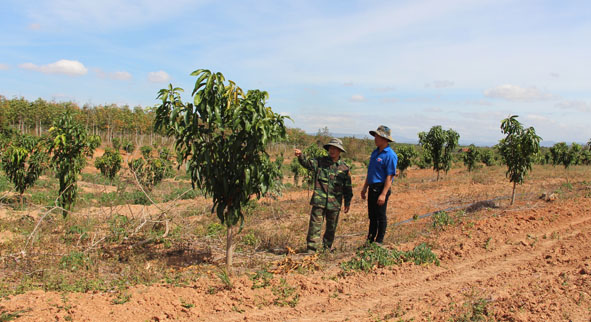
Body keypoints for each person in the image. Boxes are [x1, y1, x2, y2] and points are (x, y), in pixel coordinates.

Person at [294, 138, 353, 253]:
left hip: (334, 203)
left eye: (335, 149)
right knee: (314, 226)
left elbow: (347, 188)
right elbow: (307, 163)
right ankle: (311, 250)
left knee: (331, 228)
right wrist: (300, 156)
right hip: (319, 201)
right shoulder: (320, 162)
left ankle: (327, 249)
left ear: (340, 151)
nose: (332, 151)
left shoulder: (344, 168)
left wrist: (347, 202)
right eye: (331, 148)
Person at [360, 125, 397, 245]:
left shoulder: (390, 155)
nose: (375, 138)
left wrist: (383, 194)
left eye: (377, 136)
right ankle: (370, 240)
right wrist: (365, 187)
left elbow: (389, 176)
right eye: (375, 136)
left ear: (385, 139)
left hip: (381, 188)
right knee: (372, 216)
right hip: (372, 187)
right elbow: (371, 172)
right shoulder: (375, 153)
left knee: (380, 216)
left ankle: (379, 241)